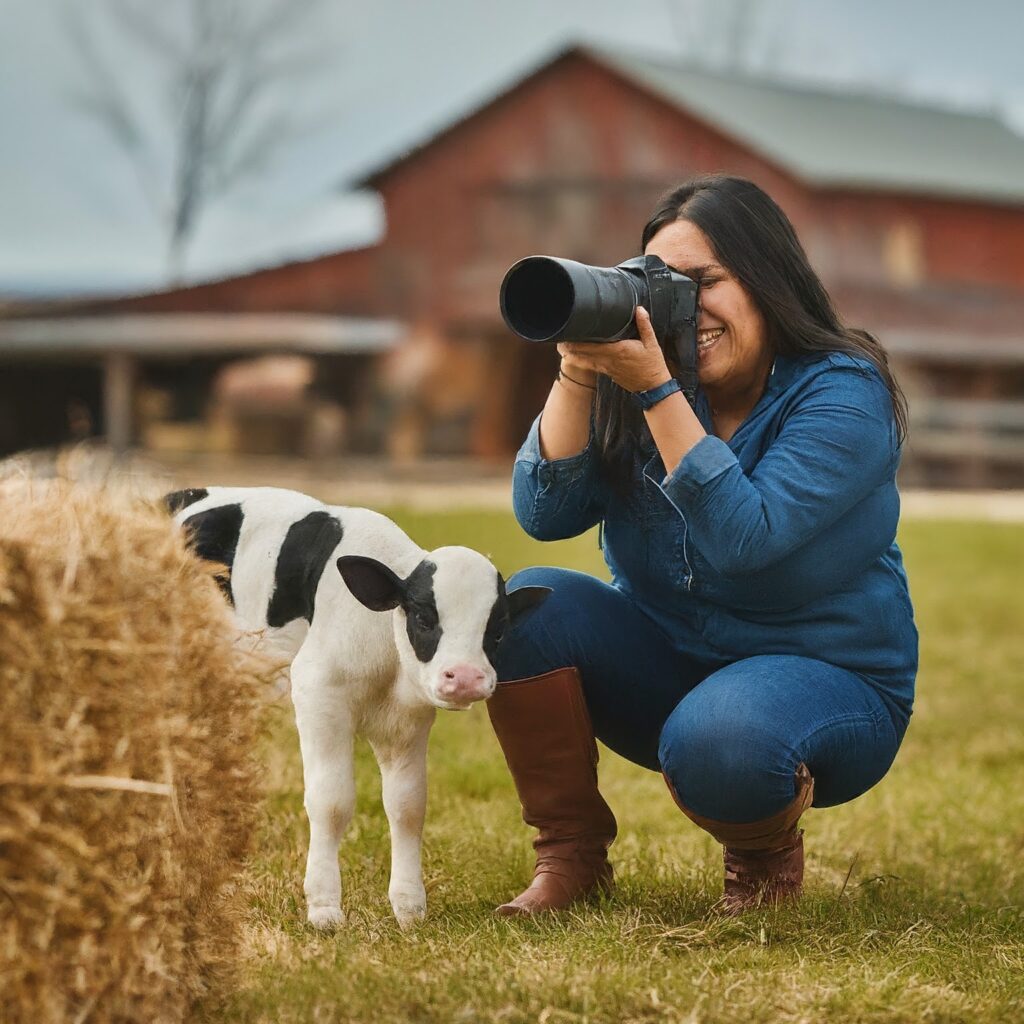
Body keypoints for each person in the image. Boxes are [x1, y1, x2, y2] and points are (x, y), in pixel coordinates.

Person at [487, 174, 918, 917]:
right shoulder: (640, 383)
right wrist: (579, 371)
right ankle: (571, 859)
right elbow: (544, 512)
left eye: (705, 281)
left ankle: (761, 861)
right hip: (673, 663)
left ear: (767, 280)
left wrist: (659, 393)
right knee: (526, 606)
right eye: (661, 284)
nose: (685, 306)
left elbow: (745, 539)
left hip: (829, 684)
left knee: (722, 734)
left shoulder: (843, 394)